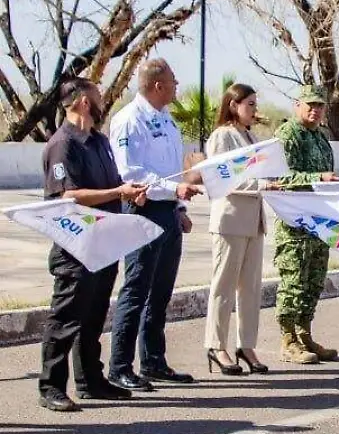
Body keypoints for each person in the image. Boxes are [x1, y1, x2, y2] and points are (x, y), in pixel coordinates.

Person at [37, 78, 148, 411]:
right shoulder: (62, 144)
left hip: (104, 242)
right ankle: (51, 387)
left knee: (94, 316)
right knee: (66, 318)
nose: (103, 102)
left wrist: (129, 191)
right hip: (75, 244)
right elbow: (67, 195)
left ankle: (90, 381)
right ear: (84, 101)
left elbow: (112, 183)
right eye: (98, 96)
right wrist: (117, 192)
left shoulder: (99, 141)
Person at [107, 59, 203, 391]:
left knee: (161, 291)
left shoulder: (167, 120)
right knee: (136, 289)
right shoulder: (129, 119)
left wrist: (178, 206)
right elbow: (131, 174)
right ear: (158, 85)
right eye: (173, 81)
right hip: (142, 209)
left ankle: (153, 360)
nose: (177, 86)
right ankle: (120, 366)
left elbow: (171, 168)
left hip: (167, 211)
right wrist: (173, 190)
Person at [203, 84, 274, 376]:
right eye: (250, 104)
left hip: (253, 220)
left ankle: (246, 345)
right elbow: (223, 178)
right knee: (224, 286)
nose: (255, 110)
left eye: (256, 104)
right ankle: (216, 344)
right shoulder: (222, 136)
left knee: (251, 288)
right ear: (234, 105)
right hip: (230, 220)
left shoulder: (251, 136)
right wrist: (262, 184)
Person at [273, 85, 339, 364]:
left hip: (319, 223)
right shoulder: (287, 135)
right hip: (295, 224)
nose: (315, 110)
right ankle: (288, 340)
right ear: (297, 105)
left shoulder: (321, 138)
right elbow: (280, 179)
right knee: (294, 282)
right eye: (310, 104)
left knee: (313, 282)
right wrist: (318, 178)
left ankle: (304, 334)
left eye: (320, 105)